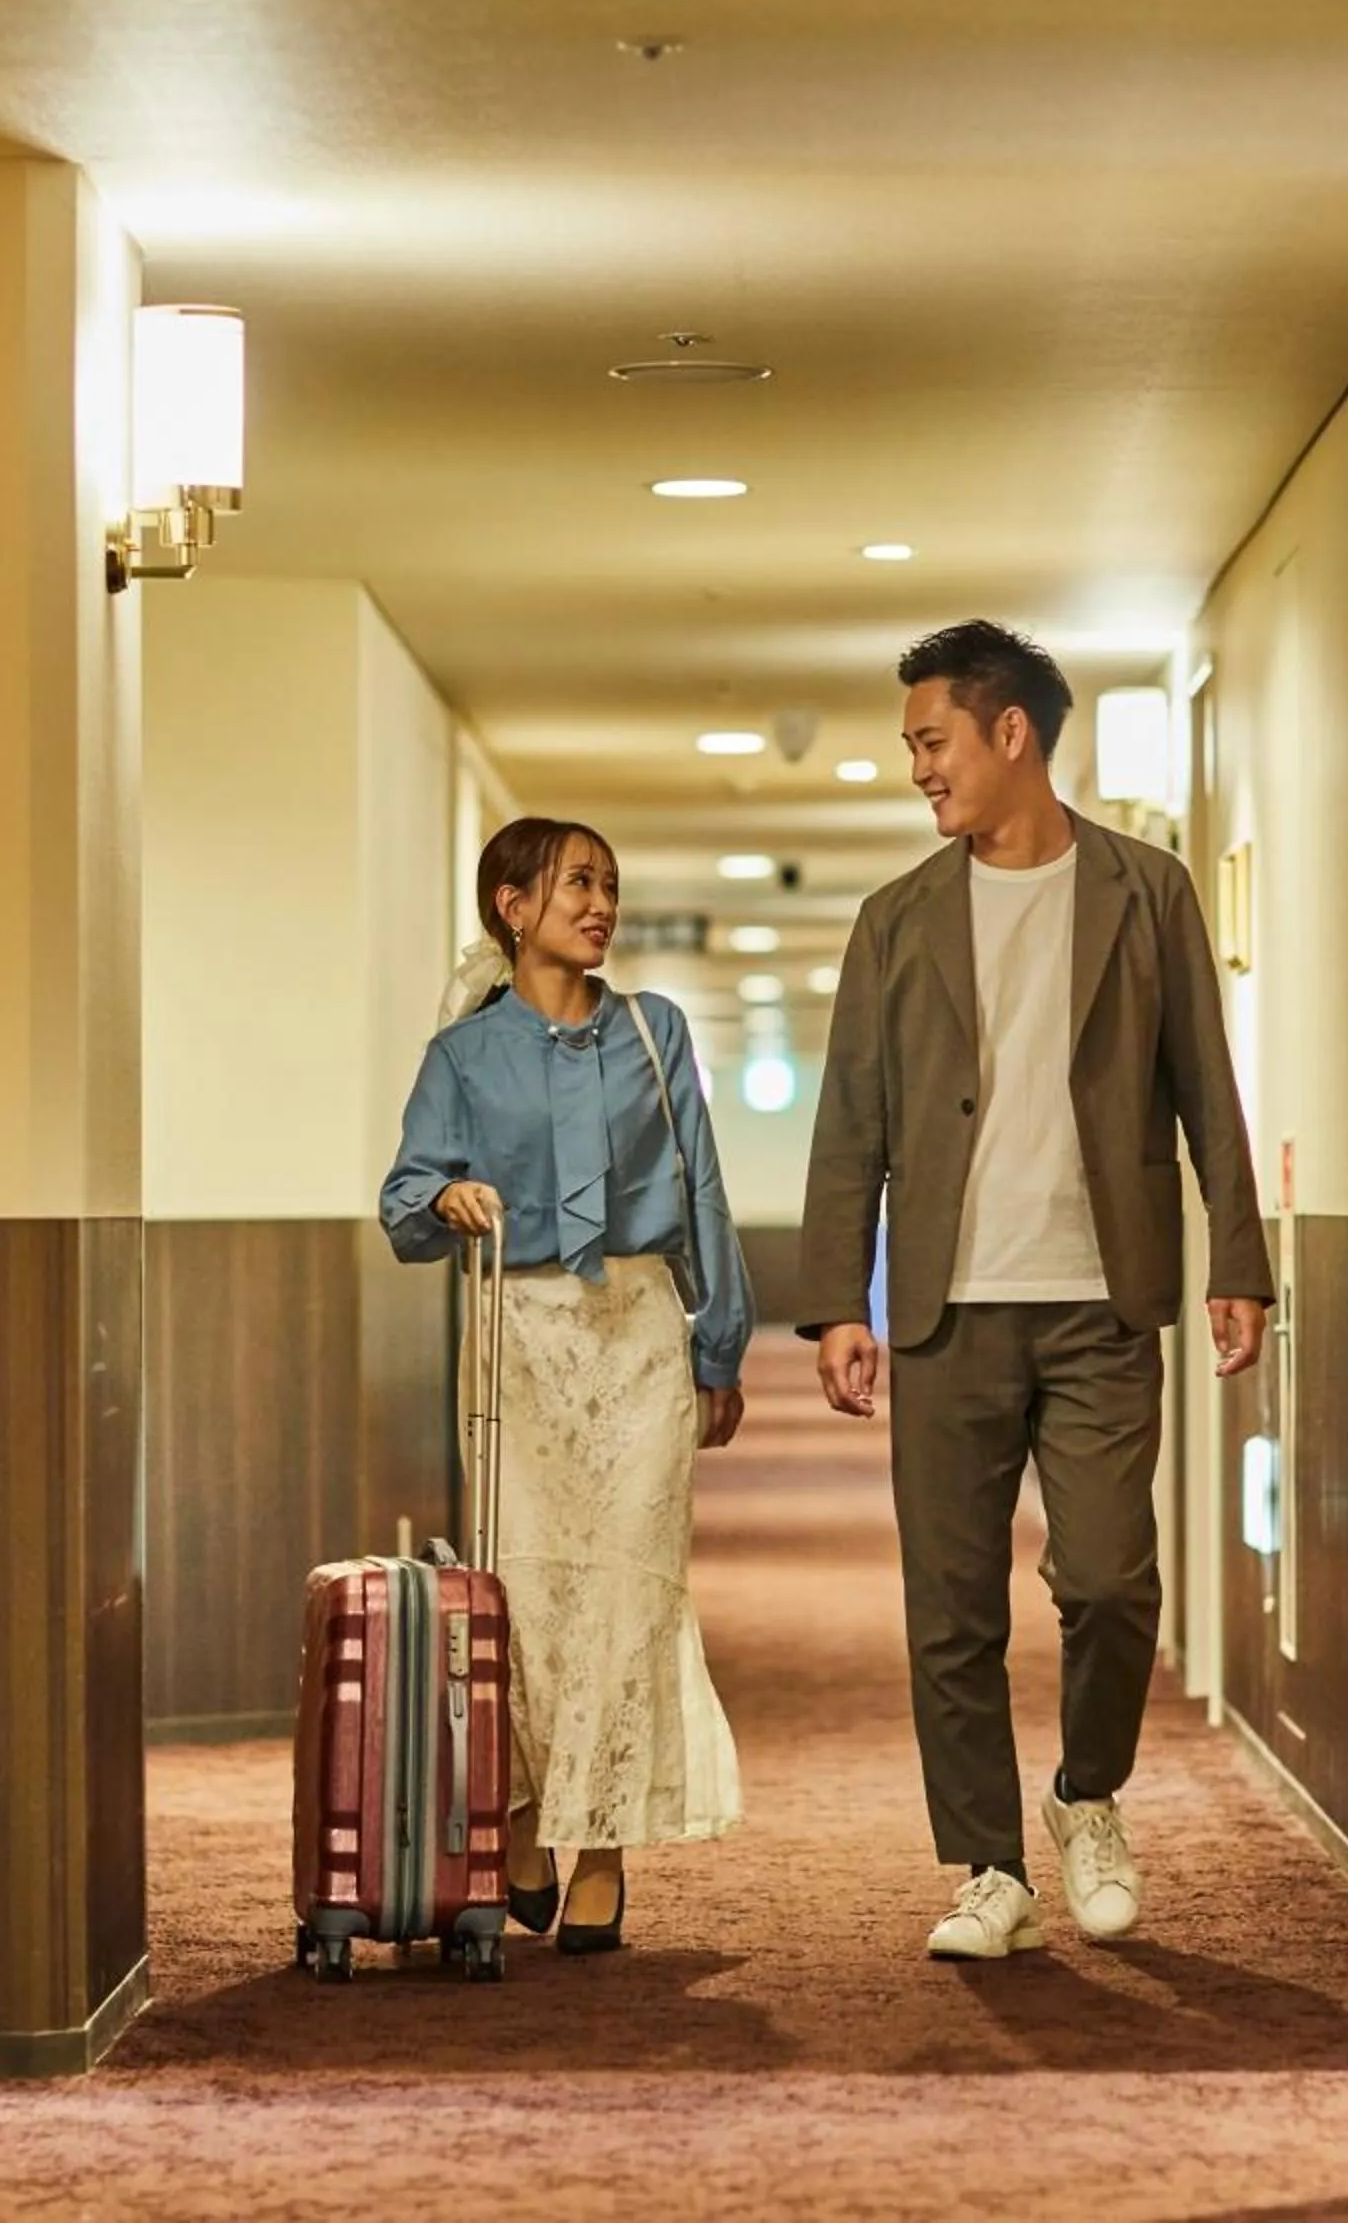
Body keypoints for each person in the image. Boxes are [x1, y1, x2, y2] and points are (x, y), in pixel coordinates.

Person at [797, 620, 1274, 1961]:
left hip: (1100, 1299)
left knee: (1114, 1580)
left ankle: (1085, 1794)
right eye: (911, 748)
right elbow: (851, 1120)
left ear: (1012, 733)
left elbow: (1207, 1088)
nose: (918, 770)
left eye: (931, 741)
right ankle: (989, 1868)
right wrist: (839, 1298)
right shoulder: (897, 919)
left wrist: (1239, 1260)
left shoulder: (1145, 890)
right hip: (948, 1305)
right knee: (951, 1607)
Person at [380, 816, 750, 1953]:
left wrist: (719, 1342)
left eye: (609, 886)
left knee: (630, 1590)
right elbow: (402, 1202)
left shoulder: (654, 1030)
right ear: (513, 906)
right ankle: (528, 1812)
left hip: (638, 1335)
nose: (601, 906)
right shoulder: (462, 1055)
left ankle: (602, 1851)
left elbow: (702, 1187)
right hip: (521, 1337)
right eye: (577, 884)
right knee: (528, 1590)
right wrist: (446, 1199)